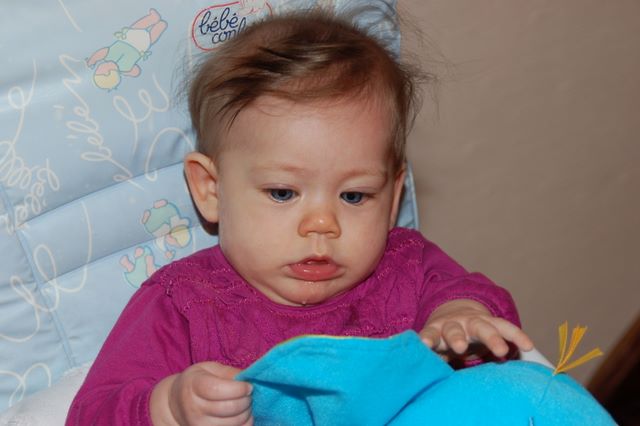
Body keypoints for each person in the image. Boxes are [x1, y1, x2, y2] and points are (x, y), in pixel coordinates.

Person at [67, 9, 534, 426]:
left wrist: (461, 319)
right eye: (283, 192)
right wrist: (169, 407)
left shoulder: (408, 266)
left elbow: (482, 314)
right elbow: (90, 414)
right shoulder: (183, 303)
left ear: (393, 197)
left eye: (354, 195)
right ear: (211, 190)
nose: (322, 224)